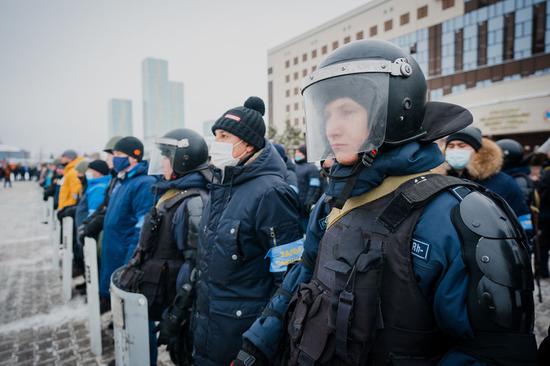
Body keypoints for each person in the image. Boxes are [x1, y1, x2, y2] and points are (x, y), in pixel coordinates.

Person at [235, 39, 537, 366]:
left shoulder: (459, 215)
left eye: (348, 111)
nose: (332, 127)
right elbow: (300, 280)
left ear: (395, 111)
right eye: (327, 114)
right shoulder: (331, 202)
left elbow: (490, 353)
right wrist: (256, 347)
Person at [192, 96, 303, 366]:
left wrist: (260, 345)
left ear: (248, 144)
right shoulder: (221, 187)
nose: (216, 143)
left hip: (243, 337)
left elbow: (289, 278)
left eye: (224, 136)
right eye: (215, 135)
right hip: (211, 327)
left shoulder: (271, 193)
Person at [119, 128, 210, 366]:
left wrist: (175, 316)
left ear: (183, 160)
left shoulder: (194, 203)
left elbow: (197, 266)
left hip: (180, 307)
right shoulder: (171, 193)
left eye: (166, 156)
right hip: (161, 295)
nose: (161, 162)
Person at [98, 136, 157, 304]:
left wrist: (130, 263)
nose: (114, 157)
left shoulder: (143, 184)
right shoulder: (122, 181)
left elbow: (142, 229)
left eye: (118, 153)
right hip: (114, 251)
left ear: (133, 156)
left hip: (126, 256)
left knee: (131, 307)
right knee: (117, 302)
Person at [445, 128, 532, 233]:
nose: (455, 150)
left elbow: (521, 220)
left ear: (477, 150)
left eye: (462, 145)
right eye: (450, 146)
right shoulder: (443, 180)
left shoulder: (503, 182)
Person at [294, 144, 322, 230]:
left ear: (305, 154)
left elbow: (315, 186)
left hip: (305, 207)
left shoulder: (311, 168)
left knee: (307, 228)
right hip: (296, 205)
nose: (296, 154)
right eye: (296, 152)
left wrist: (309, 201)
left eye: (299, 153)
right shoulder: (295, 167)